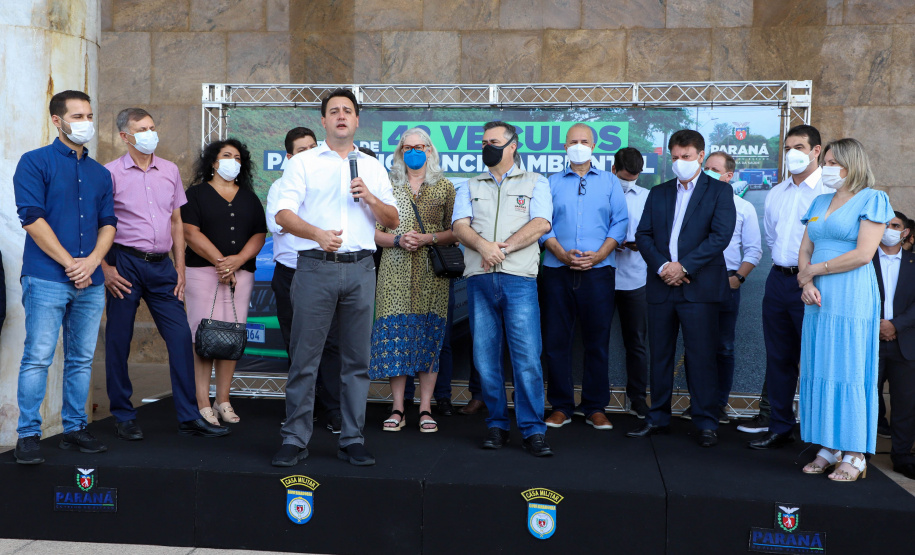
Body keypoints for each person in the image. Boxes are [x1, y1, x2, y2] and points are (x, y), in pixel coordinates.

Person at [271, 89, 399, 467]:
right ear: (324, 121)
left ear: (357, 121)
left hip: (361, 269)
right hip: (315, 267)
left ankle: (352, 438)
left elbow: (392, 220)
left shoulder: (372, 167)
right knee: (305, 359)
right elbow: (282, 214)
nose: (341, 116)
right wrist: (317, 234)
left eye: (348, 111)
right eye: (333, 111)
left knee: (357, 361)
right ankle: (295, 438)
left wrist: (371, 199)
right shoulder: (305, 163)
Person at [102, 108, 227, 440]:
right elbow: (95, 225)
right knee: (118, 339)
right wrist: (105, 268)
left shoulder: (169, 170)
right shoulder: (110, 173)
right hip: (123, 263)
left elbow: (176, 223)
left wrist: (180, 268)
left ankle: (189, 416)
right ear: (125, 137)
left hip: (162, 267)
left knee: (180, 338)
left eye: (153, 127)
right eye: (142, 129)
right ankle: (123, 414)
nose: (150, 133)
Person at [12, 90, 117, 464]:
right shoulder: (33, 162)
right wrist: (73, 263)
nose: (85, 122)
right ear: (56, 121)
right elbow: (31, 218)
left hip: (90, 280)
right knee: (38, 357)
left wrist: (91, 262)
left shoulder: (100, 173)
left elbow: (109, 224)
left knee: (81, 358)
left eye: (89, 115)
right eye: (77, 116)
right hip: (45, 278)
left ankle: (74, 429)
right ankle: (28, 434)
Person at [627, 129, 736, 448]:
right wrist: (663, 267)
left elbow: (720, 237)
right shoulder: (658, 193)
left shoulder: (718, 192)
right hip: (662, 286)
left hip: (699, 288)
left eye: (686, 157)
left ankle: (705, 421)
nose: (679, 163)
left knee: (701, 356)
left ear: (701, 156)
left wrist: (683, 266)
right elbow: (643, 234)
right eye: (674, 157)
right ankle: (657, 417)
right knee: (659, 355)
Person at [452, 121, 554, 457]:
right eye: (483, 142)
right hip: (479, 280)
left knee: (526, 358)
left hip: (519, 279)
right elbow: (459, 226)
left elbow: (541, 223)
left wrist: (502, 249)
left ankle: (533, 430)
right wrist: (484, 247)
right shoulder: (469, 185)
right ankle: (496, 425)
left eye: (493, 142)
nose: (486, 147)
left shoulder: (537, 182)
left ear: (512, 145)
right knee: (485, 358)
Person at [795, 138, 892, 481]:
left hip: (851, 294)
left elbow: (864, 254)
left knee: (849, 367)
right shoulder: (820, 201)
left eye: (834, 161)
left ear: (852, 164)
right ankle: (828, 445)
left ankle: (854, 452)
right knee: (821, 364)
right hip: (818, 297)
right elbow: (805, 248)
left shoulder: (873, 199)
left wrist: (814, 273)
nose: (828, 168)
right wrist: (806, 283)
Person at [369, 128, 456, 433]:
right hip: (394, 271)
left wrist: (428, 238)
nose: (415, 152)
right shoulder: (386, 187)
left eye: (420, 147)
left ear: (430, 150)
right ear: (400, 153)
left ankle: (426, 407)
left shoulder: (445, 187)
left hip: (432, 273)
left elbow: (455, 231)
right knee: (397, 337)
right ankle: (397, 407)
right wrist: (397, 240)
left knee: (428, 336)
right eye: (408, 148)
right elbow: (374, 233)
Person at [541, 124, 628, 431]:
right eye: (573, 141)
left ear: (594, 145)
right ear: (565, 146)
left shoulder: (609, 182)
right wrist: (561, 253)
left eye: (584, 141)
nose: (578, 145)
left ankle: (595, 407)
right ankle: (561, 406)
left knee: (597, 342)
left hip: (599, 272)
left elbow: (620, 222)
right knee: (556, 341)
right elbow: (542, 223)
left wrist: (601, 254)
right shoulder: (551, 182)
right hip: (556, 271)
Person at [748, 125, 827, 447]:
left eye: (799, 147)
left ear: (816, 151)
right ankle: (780, 427)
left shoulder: (828, 191)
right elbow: (772, 238)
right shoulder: (777, 193)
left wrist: (810, 275)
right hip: (778, 278)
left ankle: (817, 433)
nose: (792, 153)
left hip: (815, 284)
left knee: (814, 359)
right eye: (788, 147)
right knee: (779, 357)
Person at [182, 139, 267, 426]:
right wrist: (222, 262)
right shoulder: (195, 195)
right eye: (227, 155)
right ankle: (202, 401)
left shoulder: (249, 197)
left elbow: (258, 234)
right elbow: (190, 232)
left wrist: (237, 261)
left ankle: (223, 400)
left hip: (240, 276)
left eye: (238, 157)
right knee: (203, 338)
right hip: (202, 274)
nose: (233, 161)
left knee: (231, 336)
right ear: (214, 162)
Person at [266, 127, 343, 433]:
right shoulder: (280, 188)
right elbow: (280, 223)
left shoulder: (330, 187)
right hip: (290, 273)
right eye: (302, 150)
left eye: (314, 148)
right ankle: (302, 410)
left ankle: (334, 409)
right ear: (289, 157)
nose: (310, 154)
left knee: (331, 345)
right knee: (298, 346)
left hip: (325, 272)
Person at [680, 151, 762, 423]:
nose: (708, 172)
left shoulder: (743, 208)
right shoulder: (690, 203)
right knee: (695, 346)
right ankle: (698, 404)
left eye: (715, 169)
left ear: (729, 176)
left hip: (727, 282)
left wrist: (737, 279)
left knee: (723, 346)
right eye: (706, 168)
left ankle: (718, 404)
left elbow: (753, 251)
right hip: (692, 280)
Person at [873, 211, 915, 480]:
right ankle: (859, 453)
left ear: (905, 233)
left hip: (906, 343)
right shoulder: (863, 260)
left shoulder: (914, 262)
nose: (889, 229)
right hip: (870, 340)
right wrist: (877, 325)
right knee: (866, 399)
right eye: (884, 225)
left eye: (895, 226)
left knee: (905, 403)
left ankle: (901, 455)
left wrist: (894, 325)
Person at [611, 147, 650, 419]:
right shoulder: (599, 194)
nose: (629, 183)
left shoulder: (649, 197)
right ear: (613, 170)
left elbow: (659, 236)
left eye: (634, 178)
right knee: (594, 341)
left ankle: (637, 398)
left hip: (636, 279)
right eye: (625, 177)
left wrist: (641, 245)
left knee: (636, 343)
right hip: (599, 275)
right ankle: (593, 402)